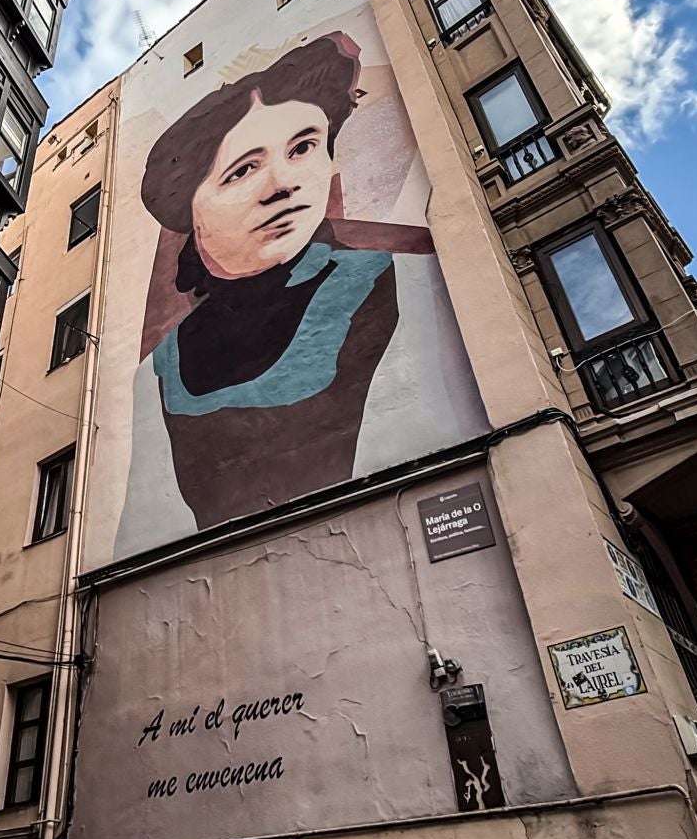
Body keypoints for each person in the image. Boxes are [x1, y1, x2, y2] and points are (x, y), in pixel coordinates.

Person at [116, 30, 482, 546]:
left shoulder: (409, 282)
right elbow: (144, 537)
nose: (284, 183)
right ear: (190, 214)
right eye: (243, 169)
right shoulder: (155, 373)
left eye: (304, 146)